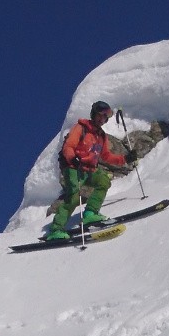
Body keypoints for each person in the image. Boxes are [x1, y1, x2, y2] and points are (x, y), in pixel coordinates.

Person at [46, 101, 135, 240]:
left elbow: (106, 156)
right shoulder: (81, 128)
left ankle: (90, 214)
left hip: (89, 169)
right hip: (73, 167)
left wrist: (126, 159)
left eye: (105, 118)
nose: (102, 120)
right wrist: (73, 158)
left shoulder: (101, 136)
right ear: (94, 114)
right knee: (74, 196)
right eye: (100, 116)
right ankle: (55, 230)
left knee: (103, 181)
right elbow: (69, 146)